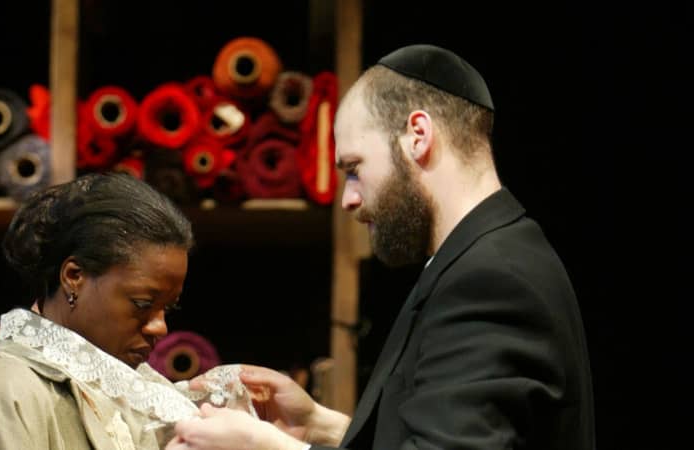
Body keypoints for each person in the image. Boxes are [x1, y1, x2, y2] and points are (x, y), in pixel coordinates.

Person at [167, 44, 596, 449]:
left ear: (418, 136)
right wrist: (322, 424)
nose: (349, 198)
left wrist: (266, 446)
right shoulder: (481, 259)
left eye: (354, 169)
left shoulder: (492, 282)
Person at [0, 173, 255, 450]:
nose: (160, 327)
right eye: (143, 304)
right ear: (74, 277)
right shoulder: (5, 392)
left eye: (167, 308)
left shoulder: (142, 396)